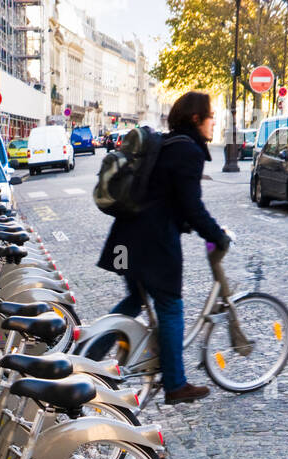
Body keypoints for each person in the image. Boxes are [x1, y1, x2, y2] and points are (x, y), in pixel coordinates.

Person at [97, 90, 230, 404]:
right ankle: (175, 385)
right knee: (170, 308)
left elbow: (171, 199)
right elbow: (191, 207)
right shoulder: (187, 151)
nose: (214, 123)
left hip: (125, 239)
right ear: (196, 118)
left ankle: (88, 353)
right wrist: (217, 235)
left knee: (134, 298)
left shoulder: (168, 144)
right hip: (152, 243)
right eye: (211, 117)